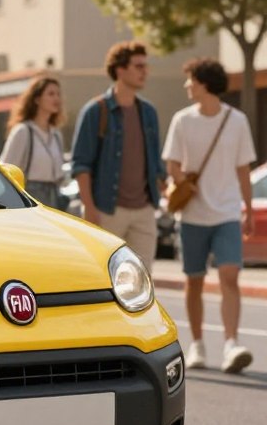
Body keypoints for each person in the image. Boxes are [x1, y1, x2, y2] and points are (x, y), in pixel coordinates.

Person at [162, 58, 257, 374]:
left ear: (204, 83)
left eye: (190, 80)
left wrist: (247, 209)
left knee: (230, 275)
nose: (187, 86)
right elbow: (172, 164)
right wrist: (183, 178)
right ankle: (198, 344)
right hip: (192, 215)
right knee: (194, 280)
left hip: (227, 211)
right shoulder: (182, 120)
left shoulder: (237, 120)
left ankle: (231, 344)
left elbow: (243, 169)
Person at [71, 41, 165, 271]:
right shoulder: (96, 111)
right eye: (138, 66)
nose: (145, 71)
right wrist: (90, 209)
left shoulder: (149, 112)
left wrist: (163, 189)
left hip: (144, 210)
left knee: (143, 280)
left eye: (146, 66)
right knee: (104, 275)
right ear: (120, 70)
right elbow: (81, 165)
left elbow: (154, 160)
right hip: (107, 210)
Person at [0, 76, 66, 209]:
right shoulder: (23, 131)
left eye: (58, 94)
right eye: (51, 94)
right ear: (37, 99)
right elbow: (6, 168)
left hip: (54, 196)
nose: (56, 99)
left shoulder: (56, 134)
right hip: (30, 196)